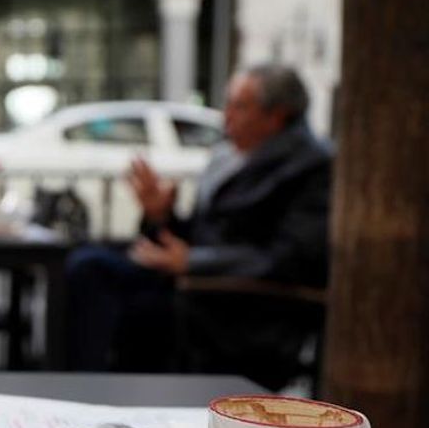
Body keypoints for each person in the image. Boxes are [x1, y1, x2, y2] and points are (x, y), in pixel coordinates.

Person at [65, 64, 333, 389]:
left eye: (240, 106)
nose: (227, 117)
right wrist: (161, 215)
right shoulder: (229, 157)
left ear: (275, 116)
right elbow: (198, 234)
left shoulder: (311, 166)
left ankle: (91, 393)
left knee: (117, 297)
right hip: (194, 286)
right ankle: (78, 387)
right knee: (88, 262)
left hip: (240, 308)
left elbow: (292, 257)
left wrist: (193, 262)